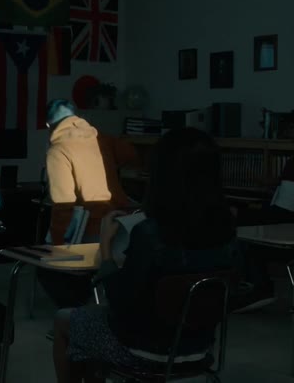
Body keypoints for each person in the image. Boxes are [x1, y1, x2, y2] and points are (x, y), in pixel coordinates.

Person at [52, 127, 236, 383]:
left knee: (64, 319)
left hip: (141, 350)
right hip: (200, 349)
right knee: (91, 322)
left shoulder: (150, 233)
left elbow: (118, 301)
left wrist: (106, 247)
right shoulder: (227, 230)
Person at [38, 99, 139, 309]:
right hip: (123, 227)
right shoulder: (102, 138)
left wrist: (58, 247)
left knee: (45, 268)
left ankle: (78, 313)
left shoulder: (58, 150)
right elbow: (131, 154)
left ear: (48, 125)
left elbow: (63, 204)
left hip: (92, 232)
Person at [232, 103, 294, 313]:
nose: (289, 135)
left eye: (291, 129)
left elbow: (282, 214)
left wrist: (240, 214)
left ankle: (258, 288)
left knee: (238, 233)